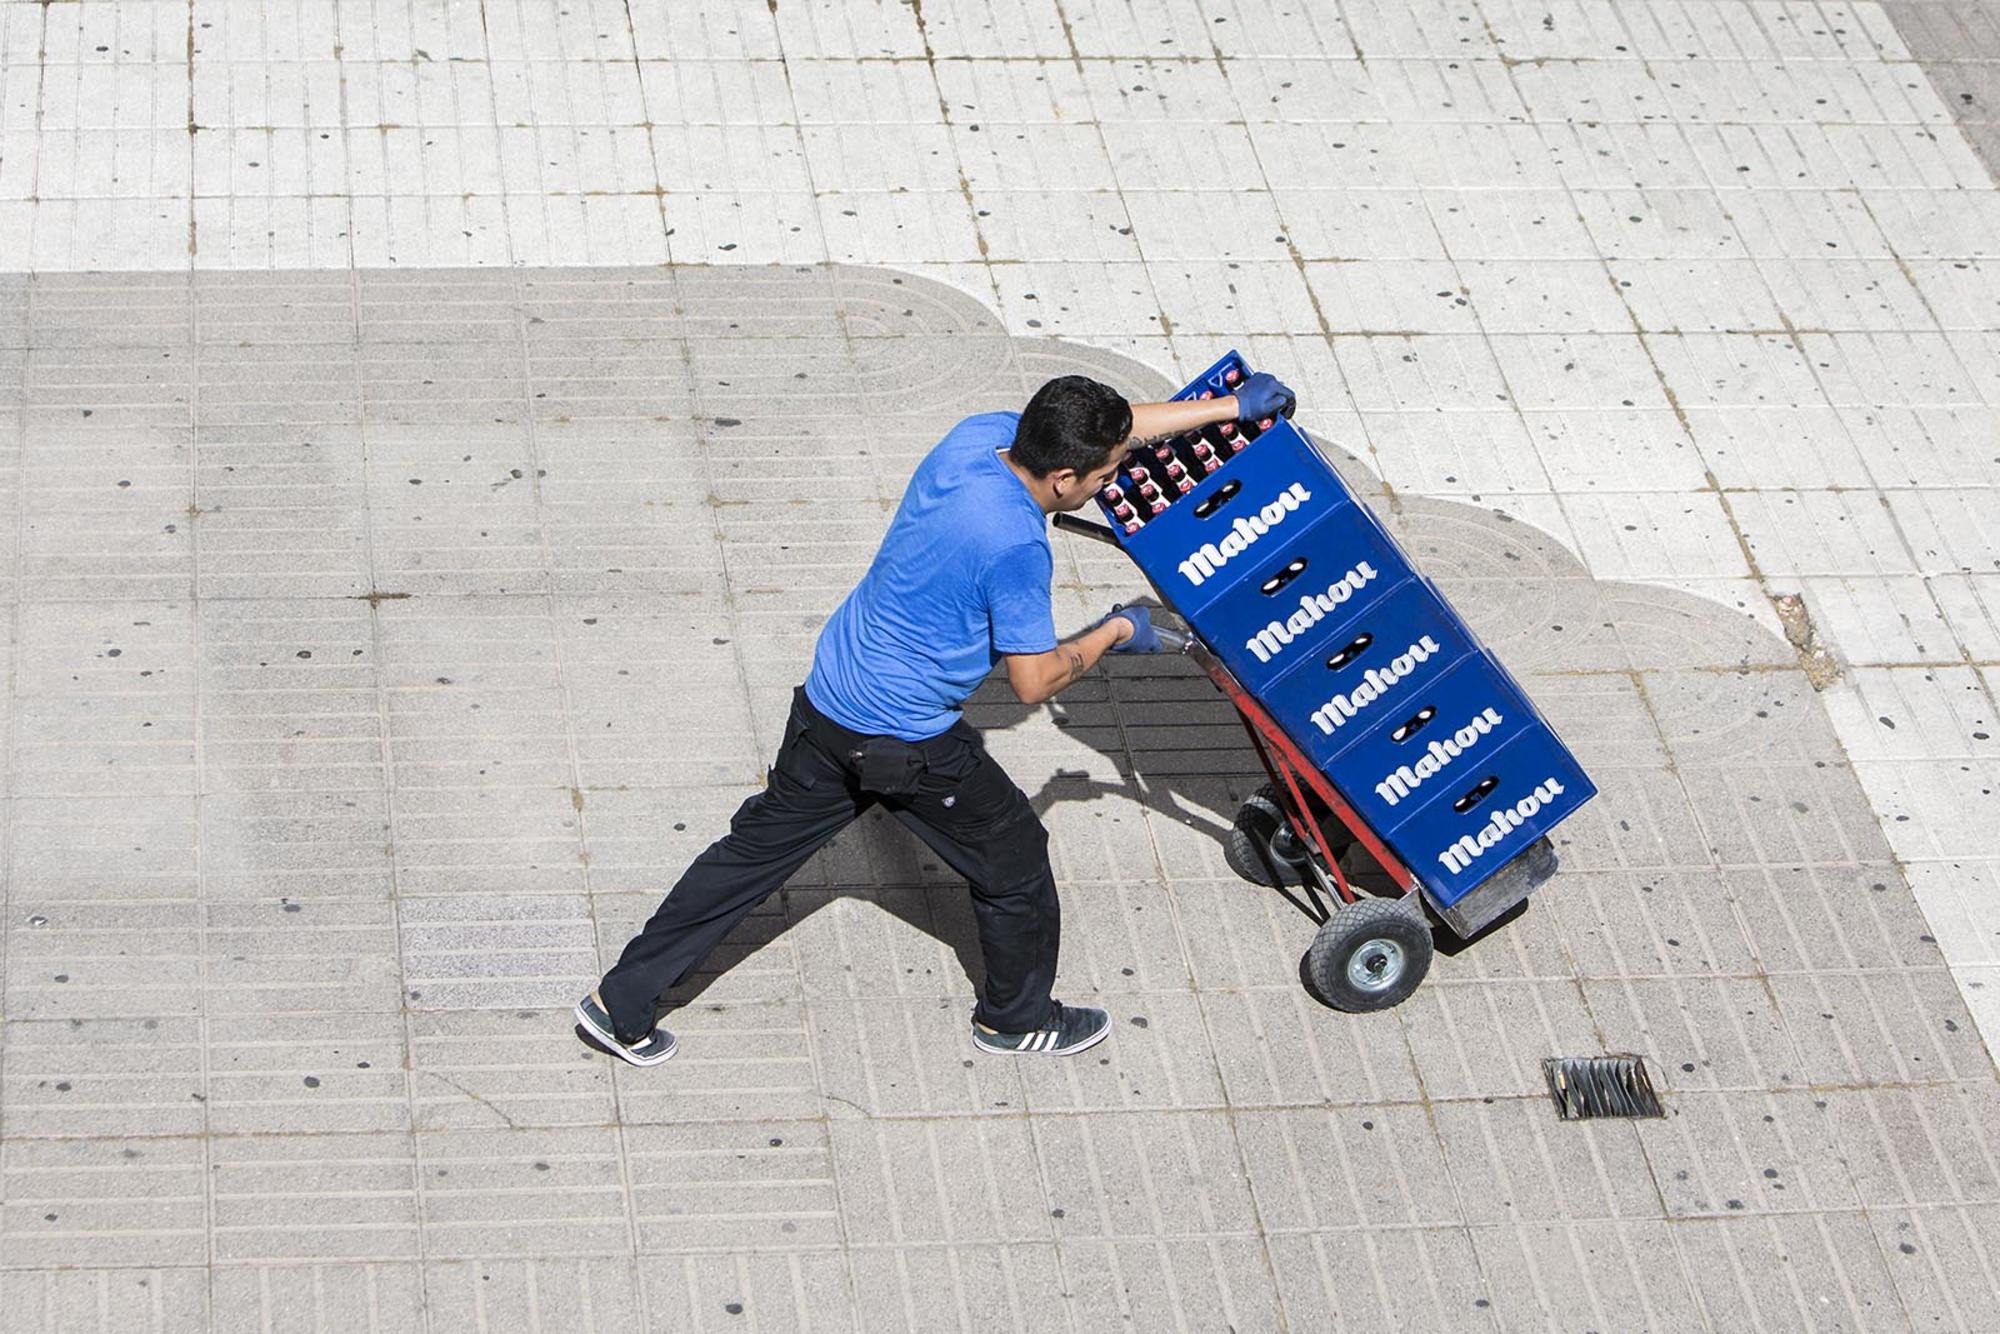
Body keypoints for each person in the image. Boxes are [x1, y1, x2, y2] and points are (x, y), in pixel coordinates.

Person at [573, 371, 1297, 1066]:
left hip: (828, 696)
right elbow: (1032, 680)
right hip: (902, 744)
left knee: (746, 859)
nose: (1114, 481)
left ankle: (619, 1005)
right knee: (1015, 864)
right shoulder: (1015, 544)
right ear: (1065, 481)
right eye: (1107, 475)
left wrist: (1230, 408)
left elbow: (1118, 426)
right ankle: (1016, 1021)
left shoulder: (977, 438)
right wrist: (1118, 631)